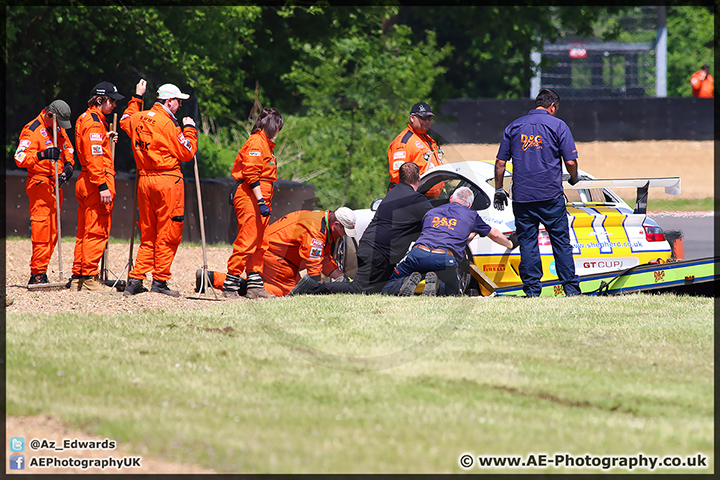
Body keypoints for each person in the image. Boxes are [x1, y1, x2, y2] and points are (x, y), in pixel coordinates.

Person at [290, 161, 433, 296]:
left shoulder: (392, 194)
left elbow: (402, 224)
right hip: (379, 252)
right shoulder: (416, 199)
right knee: (358, 289)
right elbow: (436, 219)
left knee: (376, 288)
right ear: (418, 178)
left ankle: (404, 283)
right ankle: (313, 288)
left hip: (371, 247)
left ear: (399, 178)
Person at [493, 88, 581, 298]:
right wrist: (574, 177)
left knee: (528, 243)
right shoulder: (558, 125)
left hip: (522, 197)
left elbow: (499, 163)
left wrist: (498, 189)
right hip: (550, 196)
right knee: (560, 242)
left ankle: (532, 291)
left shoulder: (514, 126)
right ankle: (570, 290)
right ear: (553, 107)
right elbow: (570, 161)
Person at [120, 79, 198, 297]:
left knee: (148, 233)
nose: (180, 106)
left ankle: (136, 279)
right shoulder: (169, 125)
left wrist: (137, 97)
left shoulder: (137, 117)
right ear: (169, 101)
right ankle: (160, 281)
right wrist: (190, 130)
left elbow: (125, 120)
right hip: (167, 181)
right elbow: (187, 152)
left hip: (144, 181)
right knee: (169, 232)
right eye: (178, 102)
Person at [195, 207, 356, 298]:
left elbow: (324, 257)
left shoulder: (322, 221)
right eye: (344, 231)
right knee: (290, 292)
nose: (343, 235)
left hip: (277, 255)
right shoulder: (317, 230)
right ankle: (212, 279)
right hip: (274, 256)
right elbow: (313, 263)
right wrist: (317, 290)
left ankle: (209, 278)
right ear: (336, 225)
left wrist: (339, 276)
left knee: (273, 288)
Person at [382, 187, 514, 296]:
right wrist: (510, 243)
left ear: (451, 198)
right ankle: (438, 284)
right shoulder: (471, 215)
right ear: (469, 205)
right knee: (452, 294)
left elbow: (439, 233)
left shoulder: (432, 212)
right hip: (444, 259)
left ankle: (405, 282)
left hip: (418, 253)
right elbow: (494, 234)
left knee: (389, 286)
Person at [223, 107, 284, 299]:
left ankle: (255, 286)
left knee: (260, 242)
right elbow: (251, 174)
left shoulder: (265, 144)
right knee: (247, 240)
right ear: (273, 126)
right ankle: (230, 285)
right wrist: (260, 201)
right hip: (251, 196)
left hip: (261, 197)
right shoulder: (257, 143)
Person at [69, 82, 124, 292]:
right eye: (111, 101)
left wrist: (105, 138)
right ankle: (90, 277)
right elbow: (93, 157)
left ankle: (78, 277)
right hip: (95, 182)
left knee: (84, 231)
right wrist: (102, 185)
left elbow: (89, 148)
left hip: (85, 179)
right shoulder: (93, 123)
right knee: (97, 231)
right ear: (100, 100)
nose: (114, 106)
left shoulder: (86, 118)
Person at [13, 100, 76, 285]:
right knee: (42, 229)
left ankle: (43, 269)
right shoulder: (32, 129)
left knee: (54, 231)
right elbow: (19, 157)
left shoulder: (58, 128)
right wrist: (42, 155)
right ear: (50, 115)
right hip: (39, 182)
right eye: (58, 123)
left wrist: (69, 164)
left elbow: (68, 147)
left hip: (56, 183)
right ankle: (37, 273)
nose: (60, 127)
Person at [387, 101, 443, 197]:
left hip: (430, 197)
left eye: (429, 118)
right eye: (423, 117)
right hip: (410, 198)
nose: (427, 121)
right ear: (412, 118)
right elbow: (398, 176)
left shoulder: (428, 140)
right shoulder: (403, 142)